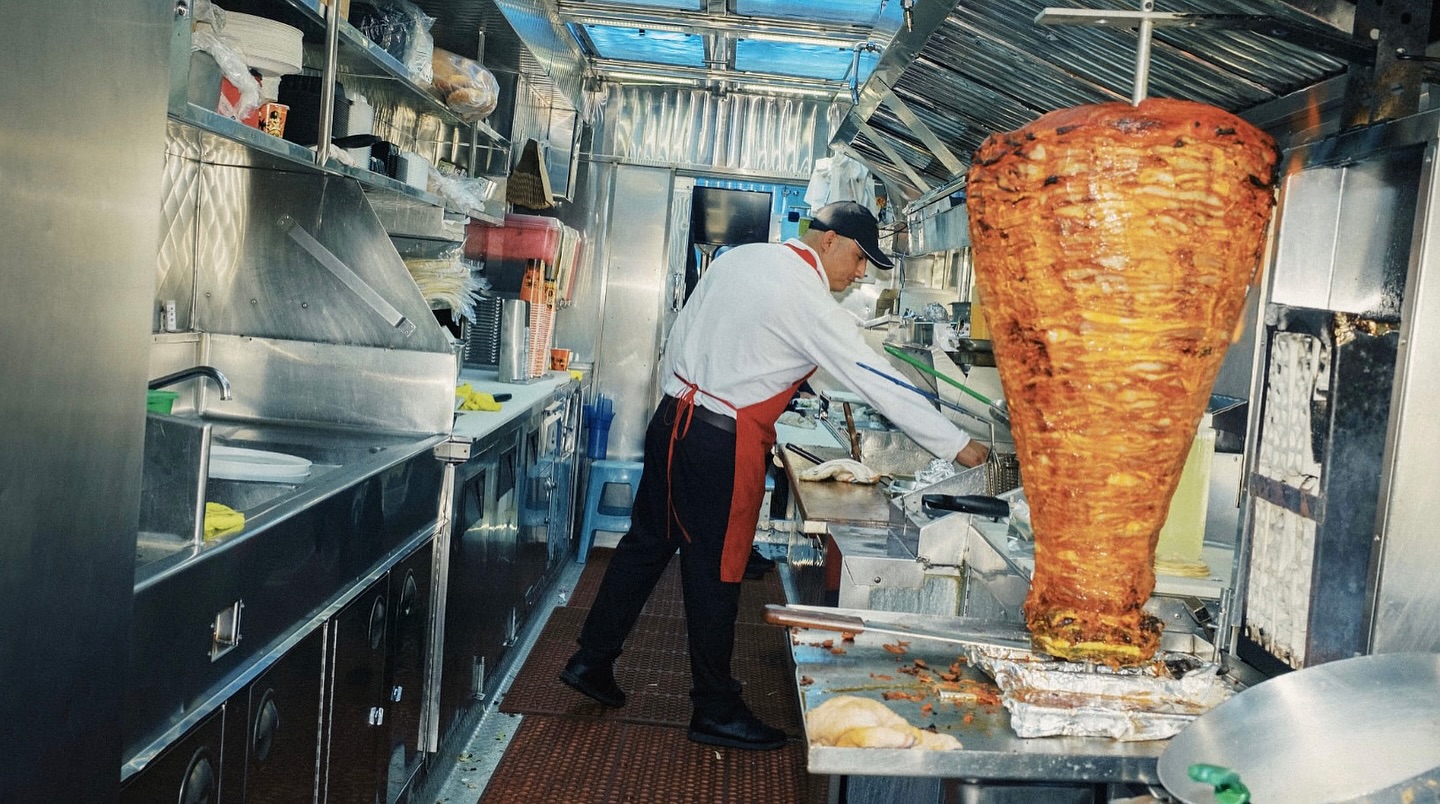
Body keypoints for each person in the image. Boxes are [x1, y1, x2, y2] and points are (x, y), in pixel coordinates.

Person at [559, 201, 990, 751]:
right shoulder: (807, 299)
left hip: (673, 419)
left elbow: (685, 331)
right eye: (860, 258)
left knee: (646, 544)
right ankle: (714, 707)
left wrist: (677, 407)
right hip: (723, 439)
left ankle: (591, 660)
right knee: (717, 571)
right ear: (828, 240)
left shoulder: (741, 259)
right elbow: (874, 377)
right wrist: (957, 445)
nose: (861, 273)